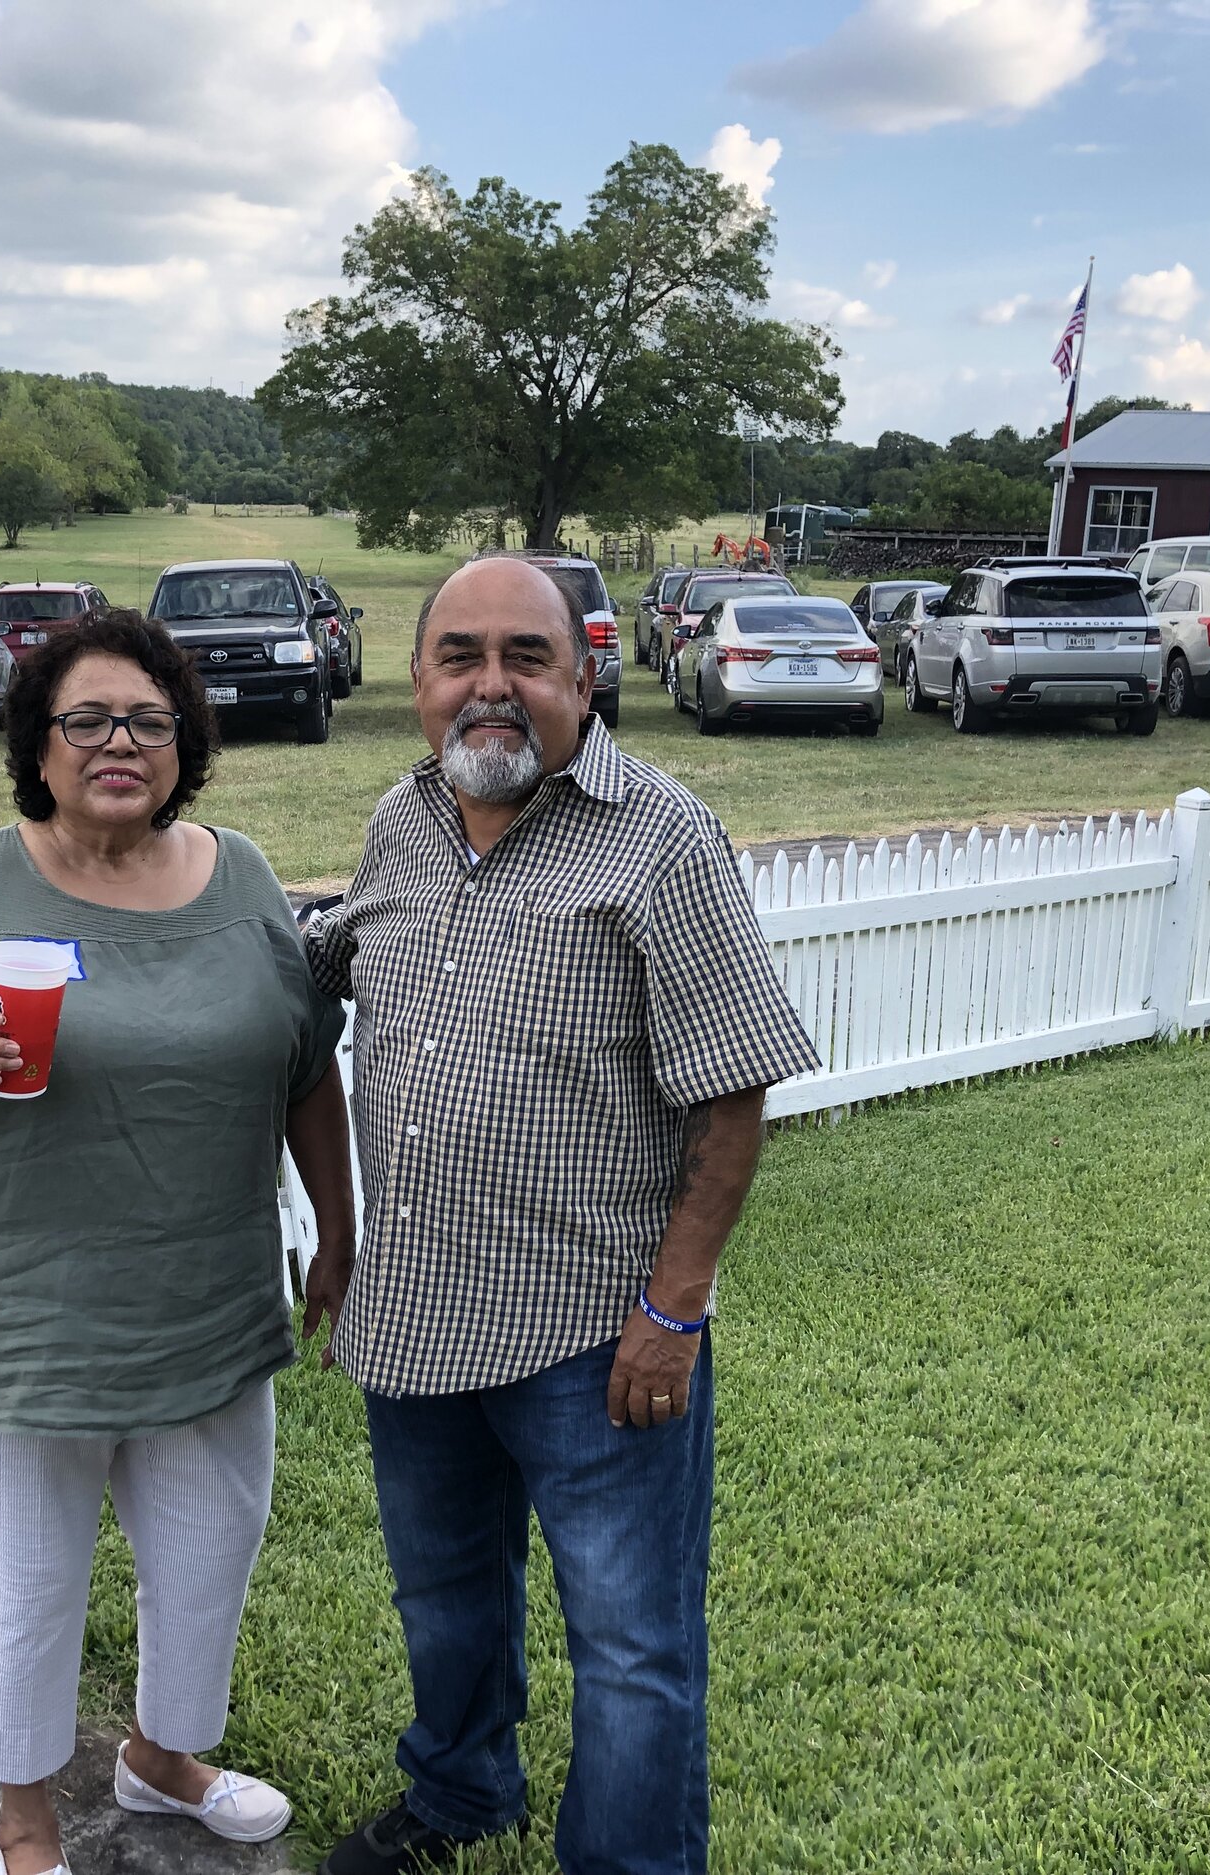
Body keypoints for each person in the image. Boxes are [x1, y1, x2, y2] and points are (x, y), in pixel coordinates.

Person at [0, 609, 356, 1875]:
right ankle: (25, 1819)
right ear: (39, 746)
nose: (121, 743)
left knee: (207, 1555)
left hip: (206, 1303)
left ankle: (163, 1762)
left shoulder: (243, 876)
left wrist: (336, 1230)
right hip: (16, 1317)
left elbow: (303, 1069)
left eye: (150, 721)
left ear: (186, 744)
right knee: (27, 1581)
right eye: (89, 720)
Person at [303, 556, 820, 1875]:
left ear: (585, 680)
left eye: (525, 657)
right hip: (413, 1315)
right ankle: (459, 1791)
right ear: (417, 681)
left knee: (633, 1643)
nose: (491, 685)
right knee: (443, 1595)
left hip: (591, 1337)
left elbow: (732, 1092)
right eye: (460, 656)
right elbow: (331, 967)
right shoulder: (402, 818)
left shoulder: (662, 838)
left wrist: (675, 1309)